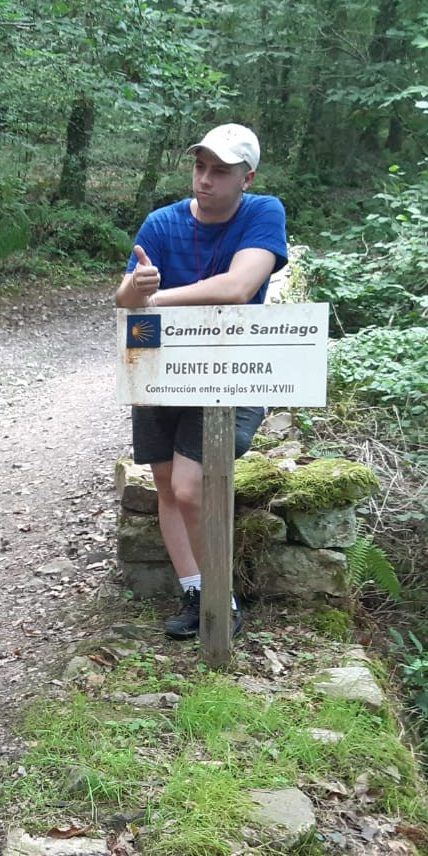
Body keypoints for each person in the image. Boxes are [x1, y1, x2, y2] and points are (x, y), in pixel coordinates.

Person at [115, 123, 288, 638]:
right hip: (159, 362)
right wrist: (134, 290)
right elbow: (125, 301)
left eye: (220, 171)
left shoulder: (263, 212)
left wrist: (155, 299)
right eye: (199, 167)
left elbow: (239, 287)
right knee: (167, 484)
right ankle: (195, 592)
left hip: (231, 367)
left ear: (246, 177)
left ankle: (222, 600)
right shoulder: (161, 224)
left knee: (192, 488)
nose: (205, 180)